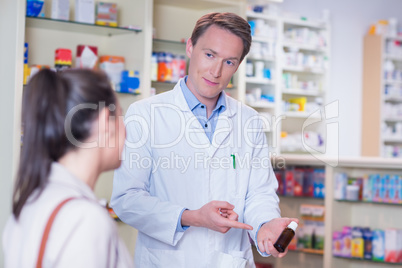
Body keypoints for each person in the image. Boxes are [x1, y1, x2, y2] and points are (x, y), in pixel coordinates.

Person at [111, 12, 298, 267]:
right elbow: (127, 200)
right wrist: (192, 217)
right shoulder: (145, 114)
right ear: (190, 46)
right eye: (209, 55)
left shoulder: (249, 121)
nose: (216, 71)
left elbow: (259, 194)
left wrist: (265, 225)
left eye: (229, 62)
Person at [2, 69, 133, 267]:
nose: (128, 131)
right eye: (122, 116)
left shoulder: (31, 202)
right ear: (106, 123)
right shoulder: (84, 218)